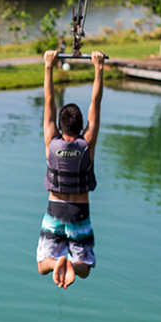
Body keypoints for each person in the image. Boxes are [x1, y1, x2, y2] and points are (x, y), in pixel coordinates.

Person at [36, 49, 104, 289]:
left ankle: (55, 264)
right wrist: (98, 67)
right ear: (81, 125)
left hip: (54, 209)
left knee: (42, 264)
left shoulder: (50, 142)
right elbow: (96, 103)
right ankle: (72, 267)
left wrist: (48, 66)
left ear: (59, 125)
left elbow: (48, 102)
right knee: (85, 268)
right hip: (79, 212)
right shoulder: (87, 144)